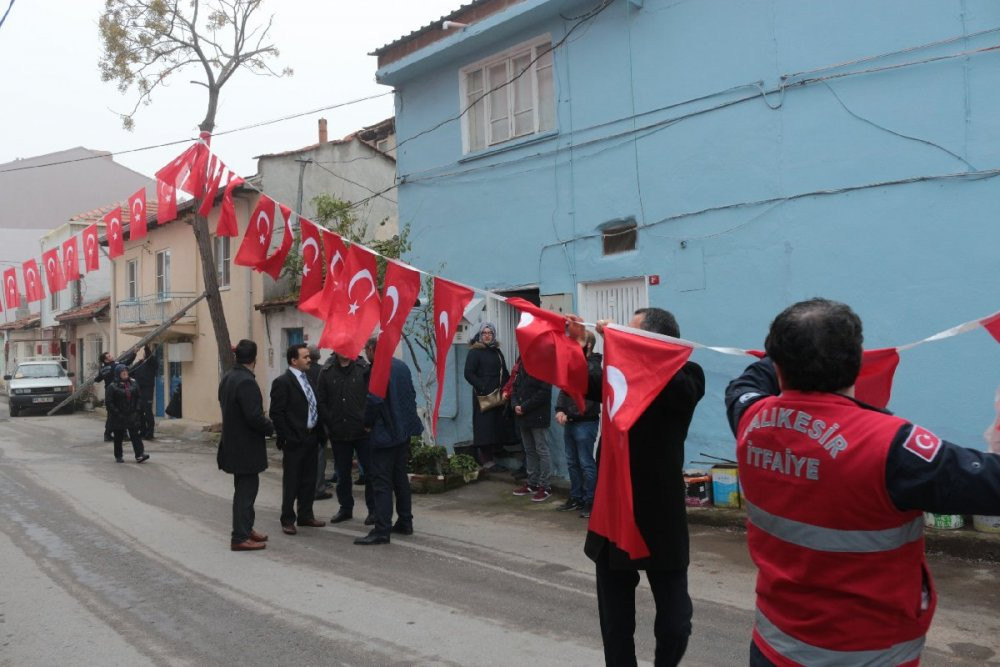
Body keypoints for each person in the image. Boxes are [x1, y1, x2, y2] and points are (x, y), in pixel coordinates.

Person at [725, 298, 1000, 667]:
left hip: (775, 646)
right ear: (857, 361)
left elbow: (742, 386)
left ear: (778, 365)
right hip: (871, 655)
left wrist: (784, 352)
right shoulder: (891, 446)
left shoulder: (751, 421)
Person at [571, 307, 705, 667]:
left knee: (676, 624)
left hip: (661, 516)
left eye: (632, 333)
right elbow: (585, 380)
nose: (623, 337)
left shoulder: (687, 375)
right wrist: (583, 345)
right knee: (616, 624)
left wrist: (623, 347)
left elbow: (674, 390)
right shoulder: (619, 371)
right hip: (615, 511)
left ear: (655, 341)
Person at [355, 335, 423, 545]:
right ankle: (405, 521)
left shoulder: (379, 368)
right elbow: (411, 395)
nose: (365, 354)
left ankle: (382, 529)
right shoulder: (401, 366)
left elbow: (374, 400)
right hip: (402, 433)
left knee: (382, 483)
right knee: (400, 478)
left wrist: (367, 423)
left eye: (366, 349)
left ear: (372, 349)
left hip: (384, 434)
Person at [218, 340, 273, 552]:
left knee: (245, 489)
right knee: (246, 493)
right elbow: (254, 417)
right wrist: (271, 427)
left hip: (233, 444)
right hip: (245, 447)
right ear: (254, 359)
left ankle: (247, 528)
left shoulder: (228, 377)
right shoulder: (246, 381)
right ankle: (240, 536)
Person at [270, 343, 327, 535]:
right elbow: (277, 413)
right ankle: (287, 519)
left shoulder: (308, 378)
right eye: (305, 357)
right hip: (295, 440)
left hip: (312, 437)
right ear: (294, 360)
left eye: (309, 356)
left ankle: (305, 515)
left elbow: (313, 404)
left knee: (309, 480)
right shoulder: (282, 382)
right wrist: (288, 436)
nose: (309, 359)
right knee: (292, 481)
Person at [316, 347, 375, 525]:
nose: (344, 350)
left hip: (362, 432)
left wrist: (368, 422)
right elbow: (321, 401)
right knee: (342, 474)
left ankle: (373, 510)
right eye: (340, 347)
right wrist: (330, 423)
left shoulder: (364, 369)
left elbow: (373, 397)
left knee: (370, 473)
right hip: (339, 433)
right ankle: (345, 508)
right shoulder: (326, 371)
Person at [554, 329, 601, 517]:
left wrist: (570, 413)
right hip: (572, 422)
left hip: (585, 423)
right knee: (572, 462)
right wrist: (560, 409)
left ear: (588, 345)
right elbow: (565, 390)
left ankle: (591, 501)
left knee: (586, 463)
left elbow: (589, 399)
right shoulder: (574, 364)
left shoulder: (593, 368)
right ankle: (576, 498)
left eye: (578, 341)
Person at [463, 321, 516, 467]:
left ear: (493, 335)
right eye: (484, 333)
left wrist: (507, 389)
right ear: (480, 335)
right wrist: (482, 387)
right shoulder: (475, 352)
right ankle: (486, 459)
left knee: (497, 423)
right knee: (484, 426)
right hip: (484, 396)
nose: (487, 336)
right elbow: (468, 373)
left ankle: (498, 450)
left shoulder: (497, 351)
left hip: (498, 395)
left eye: (490, 333)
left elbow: (504, 371)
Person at [508, 359, 554, 502]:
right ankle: (532, 482)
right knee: (529, 450)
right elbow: (514, 387)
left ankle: (545, 486)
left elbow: (544, 393)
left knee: (542, 450)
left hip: (537, 416)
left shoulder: (544, 366)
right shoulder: (522, 364)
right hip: (523, 416)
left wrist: (524, 406)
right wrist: (515, 404)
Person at [105, 363, 150, 464]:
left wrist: (137, 410)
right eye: (122, 372)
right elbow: (109, 402)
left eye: (126, 371)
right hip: (118, 416)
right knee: (118, 437)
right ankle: (118, 456)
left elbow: (139, 397)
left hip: (132, 415)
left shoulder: (133, 383)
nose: (125, 373)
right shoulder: (112, 386)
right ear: (118, 373)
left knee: (135, 435)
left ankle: (139, 455)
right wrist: (117, 413)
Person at [305, 346, 333, 501]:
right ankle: (318, 487)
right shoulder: (324, 371)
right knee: (320, 454)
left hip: (306, 419)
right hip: (322, 419)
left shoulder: (303, 373)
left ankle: (308, 485)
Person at [97, 349, 135, 441]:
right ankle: (123, 435)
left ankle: (107, 435)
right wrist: (134, 353)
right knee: (122, 412)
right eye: (109, 356)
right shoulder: (115, 366)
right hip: (116, 392)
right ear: (106, 360)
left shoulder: (102, 369)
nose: (111, 356)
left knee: (111, 414)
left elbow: (97, 379)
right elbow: (127, 362)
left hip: (108, 392)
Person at [129, 344, 158, 439]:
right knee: (139, 411)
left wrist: (146, 346)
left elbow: (149, 355)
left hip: (147, 389)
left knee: (147, 411)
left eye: (146, 352)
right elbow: (130, 372)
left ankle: (150, 433)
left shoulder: (152, 362)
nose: (144, 354)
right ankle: (143, 431)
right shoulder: (140, 363)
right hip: (138, 389)